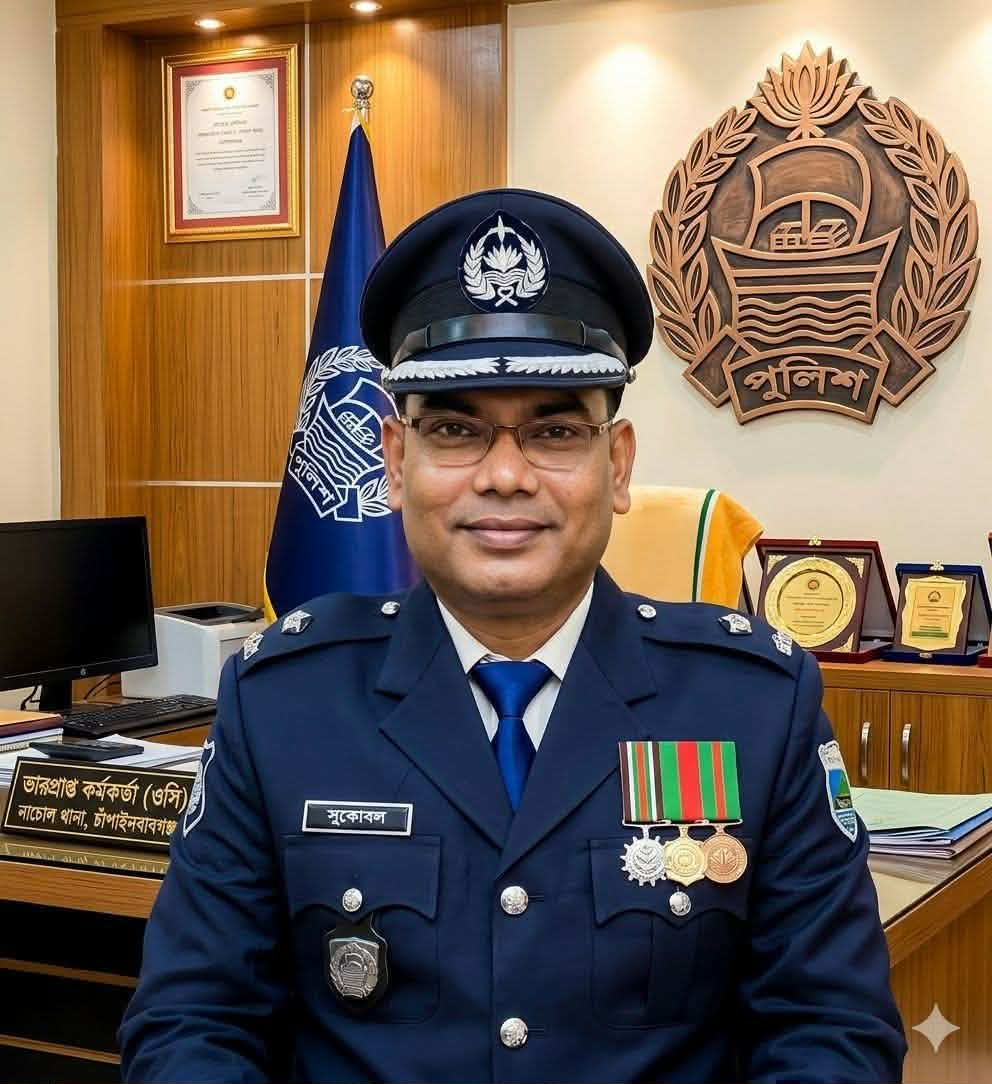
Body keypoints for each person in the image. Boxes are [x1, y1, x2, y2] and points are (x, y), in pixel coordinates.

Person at [119, 188, 906, 1083]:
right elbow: (193, 1023)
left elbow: (830, 1032)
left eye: (555, 431)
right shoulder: (284, 703)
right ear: (394, 461)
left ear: (617, 465)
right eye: (455, 429)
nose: (504, 476)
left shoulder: (752, 705)